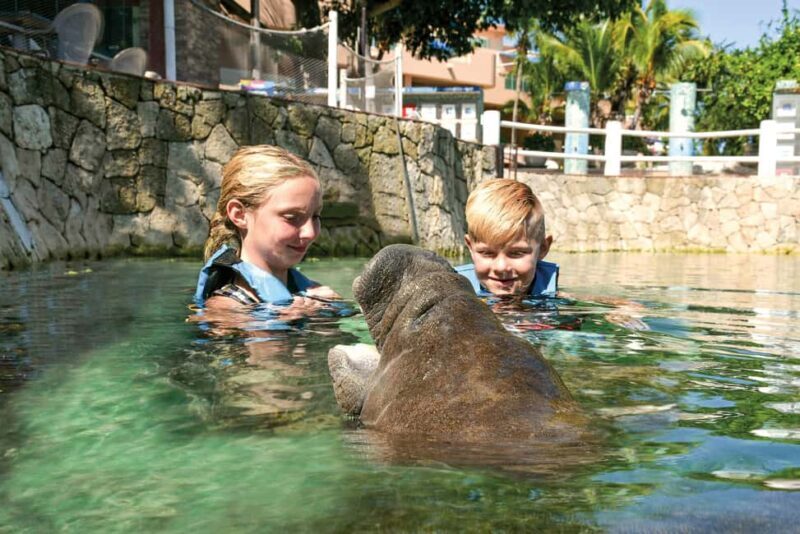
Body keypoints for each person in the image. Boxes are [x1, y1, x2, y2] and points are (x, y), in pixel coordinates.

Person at [194, 145, 339, 314]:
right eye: (291, 217)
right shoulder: (224, 308)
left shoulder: (315, 294)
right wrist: (285, 321)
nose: (311, 233)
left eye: (315, 217)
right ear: (239, 214)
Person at [456, 178, 557, 299]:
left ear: (542, 248)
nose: (501, 267)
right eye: (487, 253)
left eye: (517, 253)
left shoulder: (556, 293)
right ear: (470, 247)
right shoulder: (454, 286)